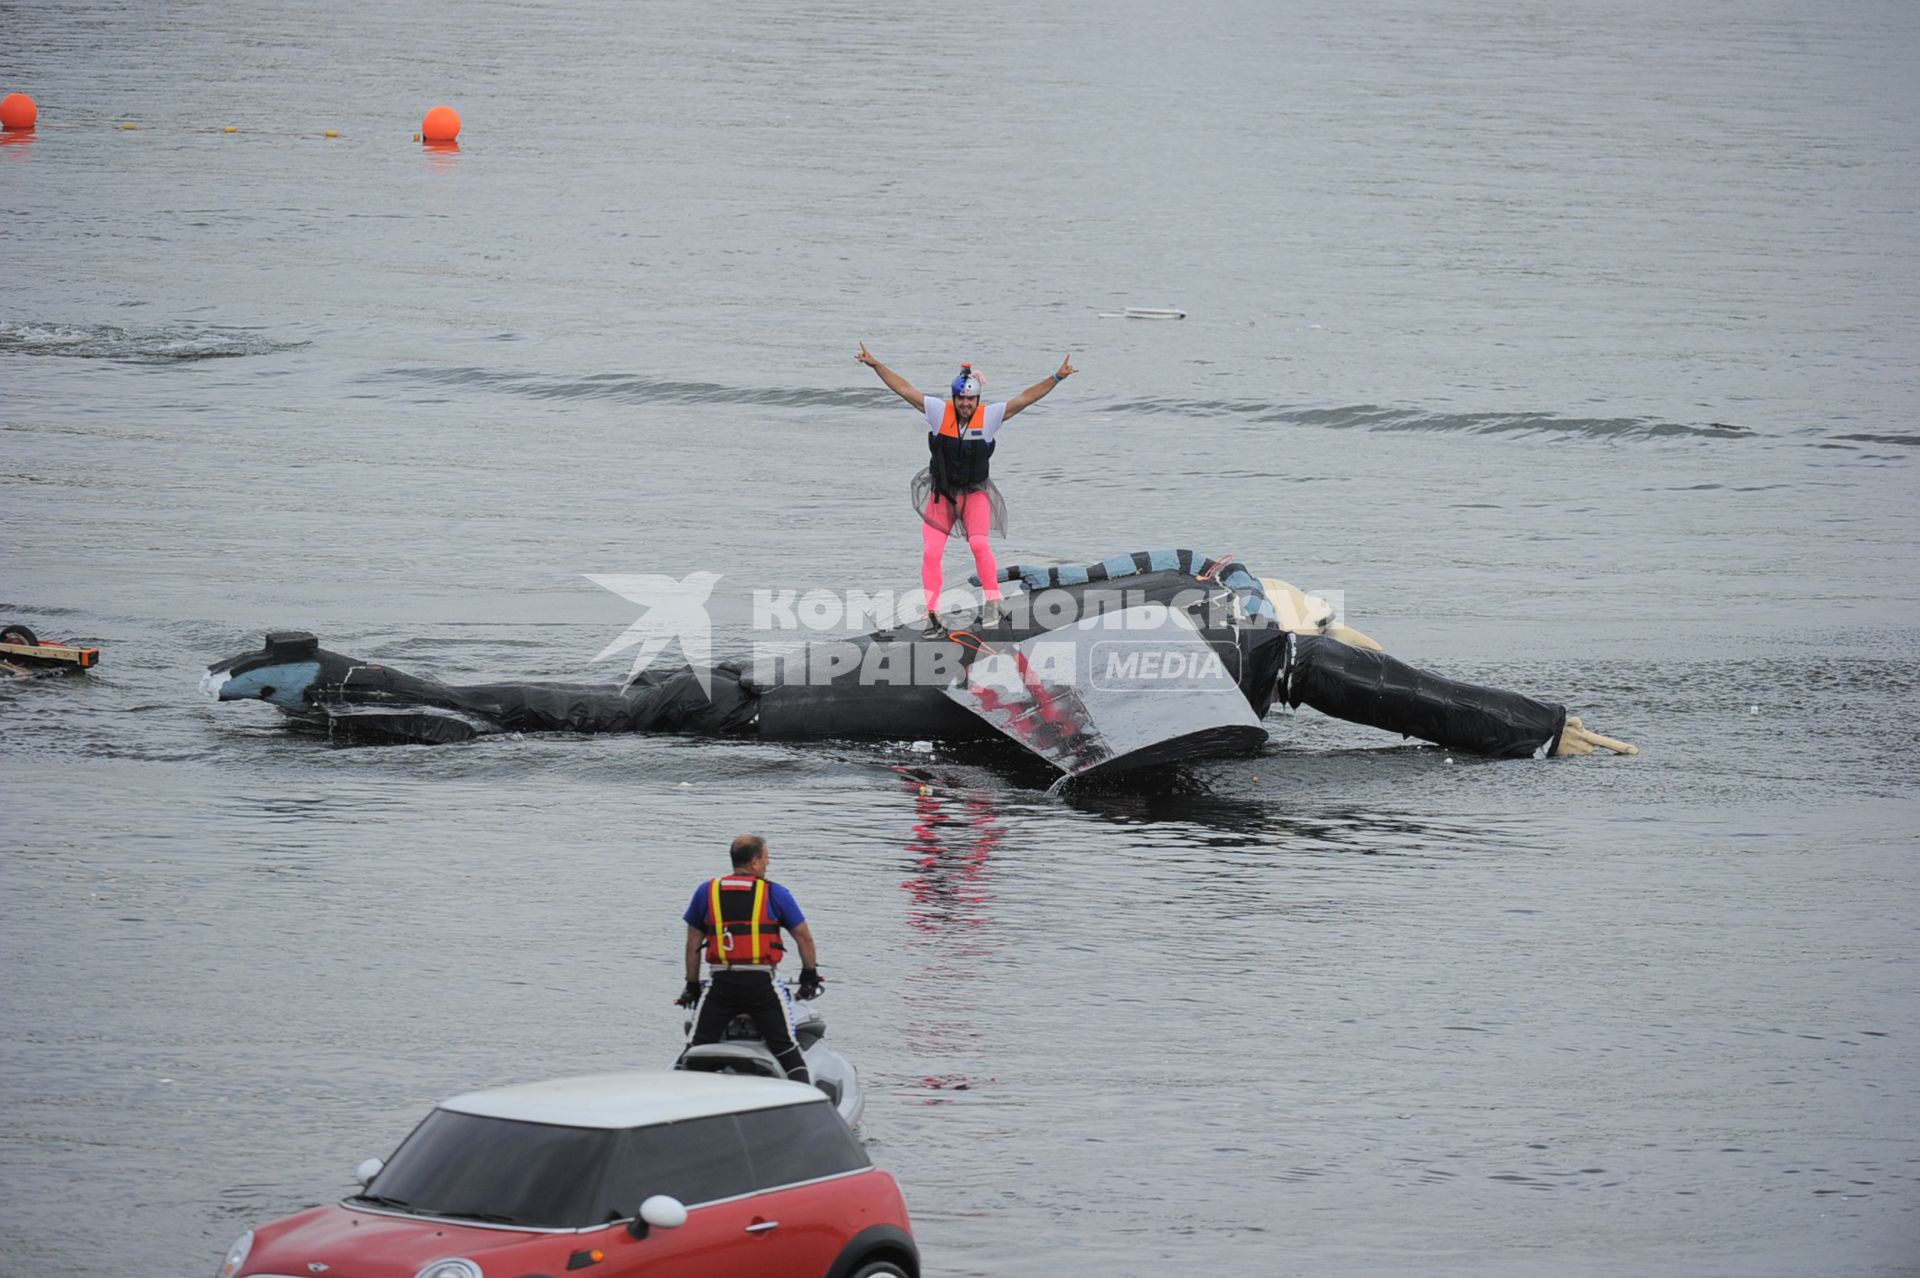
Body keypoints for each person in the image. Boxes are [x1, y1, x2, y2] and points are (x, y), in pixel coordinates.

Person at [856, 343, 1077, 636]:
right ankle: (932, 615)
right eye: (961, 398)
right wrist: (876, 365)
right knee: (931, 553)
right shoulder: (937, 411)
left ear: (977, 399)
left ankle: (993, 603)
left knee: (979, 544)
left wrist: (1056, 378)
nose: (965, 404)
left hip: (974, 495)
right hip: (941, 495)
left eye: (970, 399)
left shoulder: (990, 417)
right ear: (954, 397)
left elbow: (1025, 399)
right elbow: (904, 389)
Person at [675, 834, 823, 1084]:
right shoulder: (775, 893)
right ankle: (807, 1104)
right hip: (761, 987)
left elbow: (692, 945)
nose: (769, 862)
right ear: (754, 862)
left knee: (695, 1048)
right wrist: (809, 975)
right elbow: (803, 938)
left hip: (721, 985)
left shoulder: (706, 891)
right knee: (787, 1051)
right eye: (766, 857)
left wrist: (691, 986)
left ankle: (673, 1103)